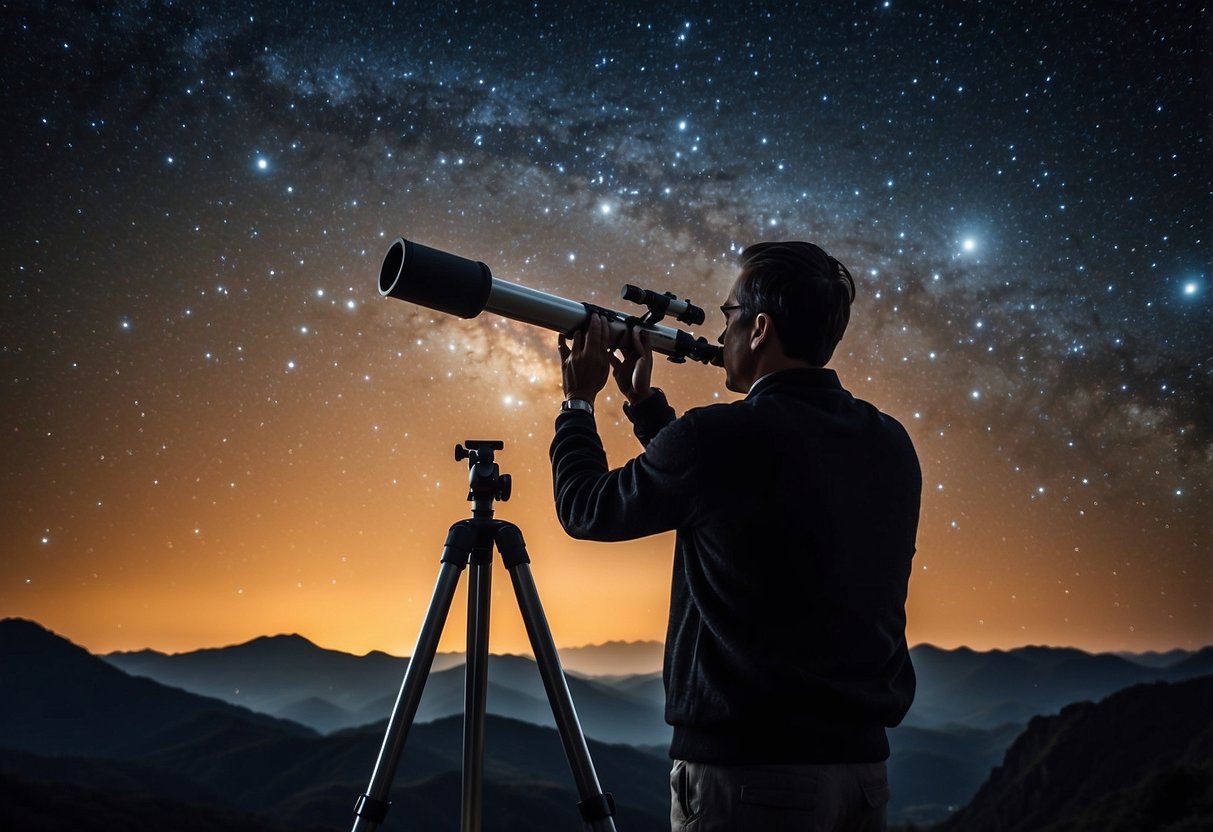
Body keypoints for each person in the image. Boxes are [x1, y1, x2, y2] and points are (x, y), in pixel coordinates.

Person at [550, 241, 922, 831]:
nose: (719, 335)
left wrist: (577, 402)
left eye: (727, 317)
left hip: (749, 781)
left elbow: (585, 508)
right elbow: (747, 498)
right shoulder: (889, 442)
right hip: (862, 778)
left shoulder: (720, 439)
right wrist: (646, 408)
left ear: (760, 329)